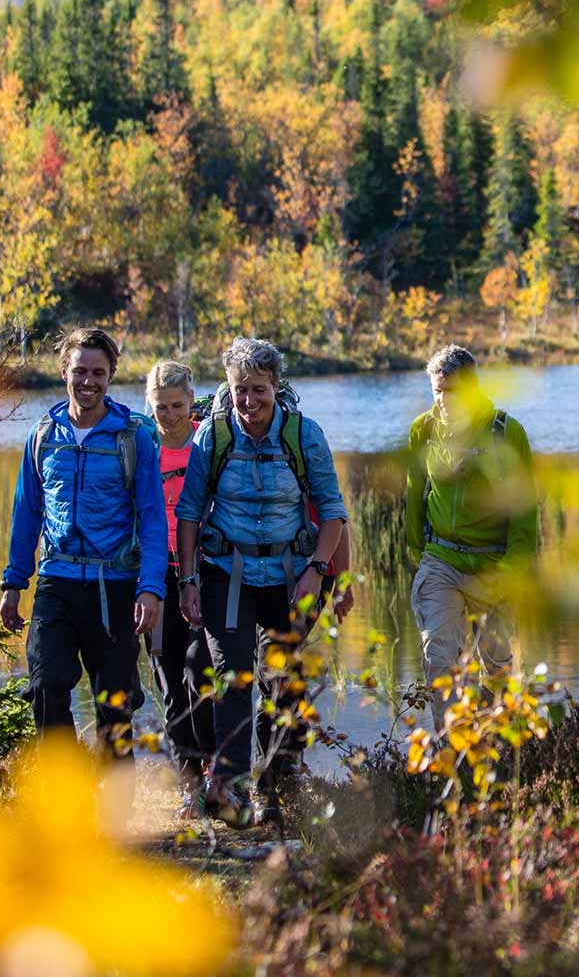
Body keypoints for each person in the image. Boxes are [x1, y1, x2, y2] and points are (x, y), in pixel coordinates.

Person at [176, 338, 347, 828]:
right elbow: (190, 511)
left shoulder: (304, 435)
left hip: (292, 577)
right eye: (238, 390)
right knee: (232, 677)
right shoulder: (214, 436)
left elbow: (332, 512)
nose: (247, 401)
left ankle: (281, 784)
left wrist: (318, 571)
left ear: (275, 387)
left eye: (258, 390)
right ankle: (229, 790)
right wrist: (187, 579)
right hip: (226, 574)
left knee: (281, 677)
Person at [0, 328, 167, 757]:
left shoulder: (133, 439)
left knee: (115, 706)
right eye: (80, 371)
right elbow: (27, 512)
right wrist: (14, 582)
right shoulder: (43, 436)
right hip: (58, 581)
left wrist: (150, 588)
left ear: (110, 377)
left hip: (115, 586)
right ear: (64, 372)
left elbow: (152, 520)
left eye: (98, 372)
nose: (88, 381)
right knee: (45, 685)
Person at [404, 345, 537, 679]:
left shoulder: (505, 432)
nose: (444, 400)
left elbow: (523, 510)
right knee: (439, 662)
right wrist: (418, 549)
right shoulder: (424, 429)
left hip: (493, 564)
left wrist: (512, 569)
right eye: (438, 391)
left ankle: (496, 730)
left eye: (453, 391)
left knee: (497, 669)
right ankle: (449, 733)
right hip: (441, 561)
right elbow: (414, 494)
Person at [143, 360, 215, 815]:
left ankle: (216, 772)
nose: (169, 415)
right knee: (169, 678)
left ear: (191, 402)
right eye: (160, 406)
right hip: (154, 573)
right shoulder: (141, 446)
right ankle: (190, 783)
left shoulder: (207, 445)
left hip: (205, 569)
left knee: (200, 669)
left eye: (176, 405)